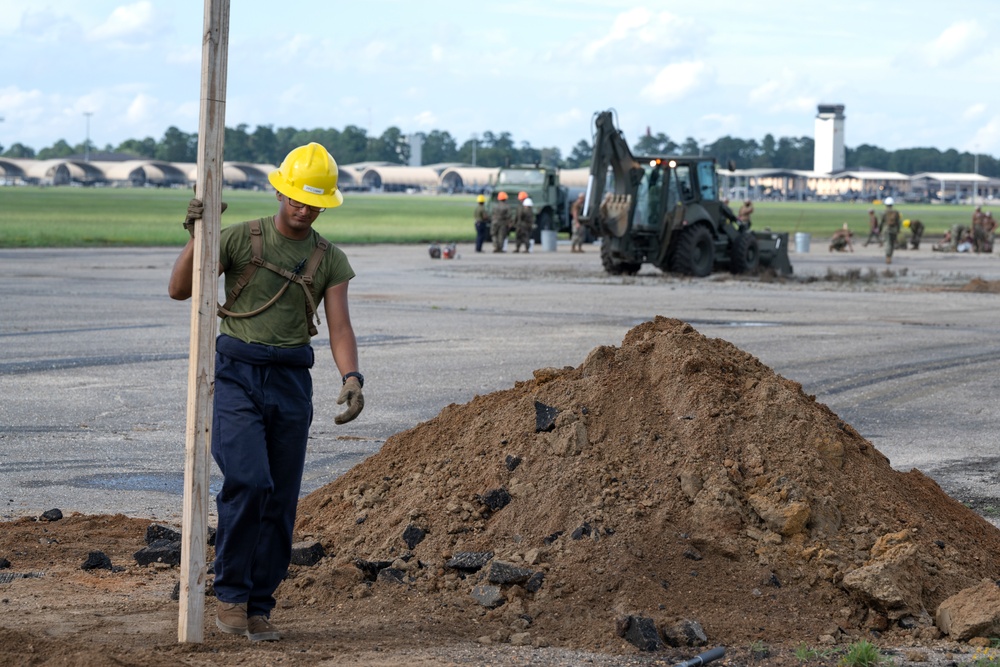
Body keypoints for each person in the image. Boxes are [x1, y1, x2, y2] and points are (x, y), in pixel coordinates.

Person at [167, 143, 364, 643]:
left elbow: (339, 327)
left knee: (280, 499)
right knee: (250, 482)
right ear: (279, 190)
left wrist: (352, 377)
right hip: (235, 374)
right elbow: (179, 289)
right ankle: (230, 594)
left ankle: (259, 605)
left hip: (291, 383)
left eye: (314, 202)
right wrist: (198, 238)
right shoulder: (240, 238)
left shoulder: (329, 259)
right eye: (297, 197)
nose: (303, 208)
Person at [881, 197, 901, 264]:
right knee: (892, 244)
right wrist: (898, 230)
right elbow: (898, 222)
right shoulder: (896, 212)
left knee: (887, 243)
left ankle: (888, 257)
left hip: (886, 229)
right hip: (894, 230)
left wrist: (879, 229)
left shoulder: (884, 212)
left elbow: (881, 222)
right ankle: (890, 256)